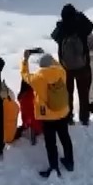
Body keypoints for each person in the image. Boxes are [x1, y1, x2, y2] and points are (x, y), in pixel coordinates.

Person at [21, 49, 74, 177]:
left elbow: (25, 75)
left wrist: (25, 60)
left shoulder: (38, 78)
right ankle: (69, 162)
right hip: (62, 112)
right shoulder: (61, 72)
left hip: (48, 117)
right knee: (65, 137)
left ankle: (54, 168)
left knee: (51, 143)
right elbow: (57, 64)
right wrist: (49, 57)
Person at [52, 4, 93, 124]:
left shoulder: (61, 28)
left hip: (66, 67)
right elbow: (91, 26)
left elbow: (54, 36)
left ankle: (68, 117)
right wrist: (80, 15)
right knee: (83, 93)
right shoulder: (81, 25)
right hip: (82, 65)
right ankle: (84, 117)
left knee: (68, 93)